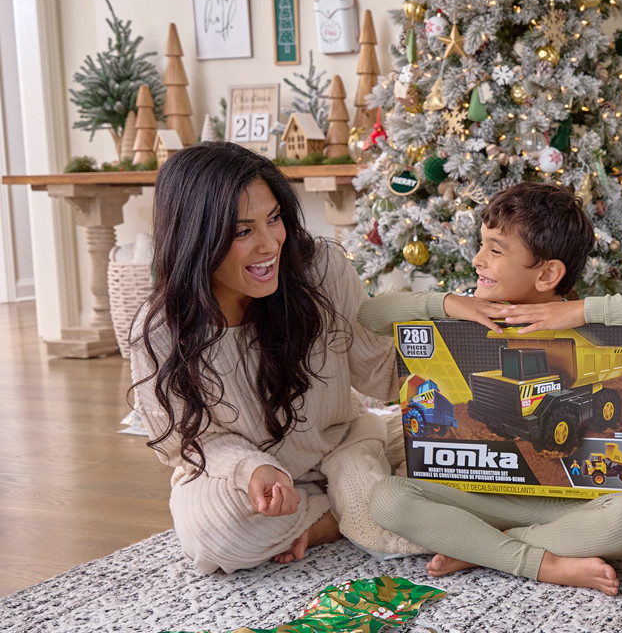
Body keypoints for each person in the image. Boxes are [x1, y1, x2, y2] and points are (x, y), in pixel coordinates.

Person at [361, 182, 622, 595]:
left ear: (547, 273)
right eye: (482, 244)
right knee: (387, 498)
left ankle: (485, 548)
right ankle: (543, 560)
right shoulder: (468, 315)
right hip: (488, 499)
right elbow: (371, 314)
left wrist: (581, 311)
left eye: (495, 249)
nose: (476, 260)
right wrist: (448, 304)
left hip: (582, 506)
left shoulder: (587, 322)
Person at [129, 141, 427, 574]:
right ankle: (344, 508)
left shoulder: (320, 270)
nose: (270, 244)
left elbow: (378, 370)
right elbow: (187, 442)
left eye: (274, 219)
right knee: (214, 536)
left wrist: (451, 357)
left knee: (462, 458)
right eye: (243, 231)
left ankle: (339, 507)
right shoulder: (159, 332)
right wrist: (251, 470)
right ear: (196, 236)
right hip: (243, 476)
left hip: (341, 442)